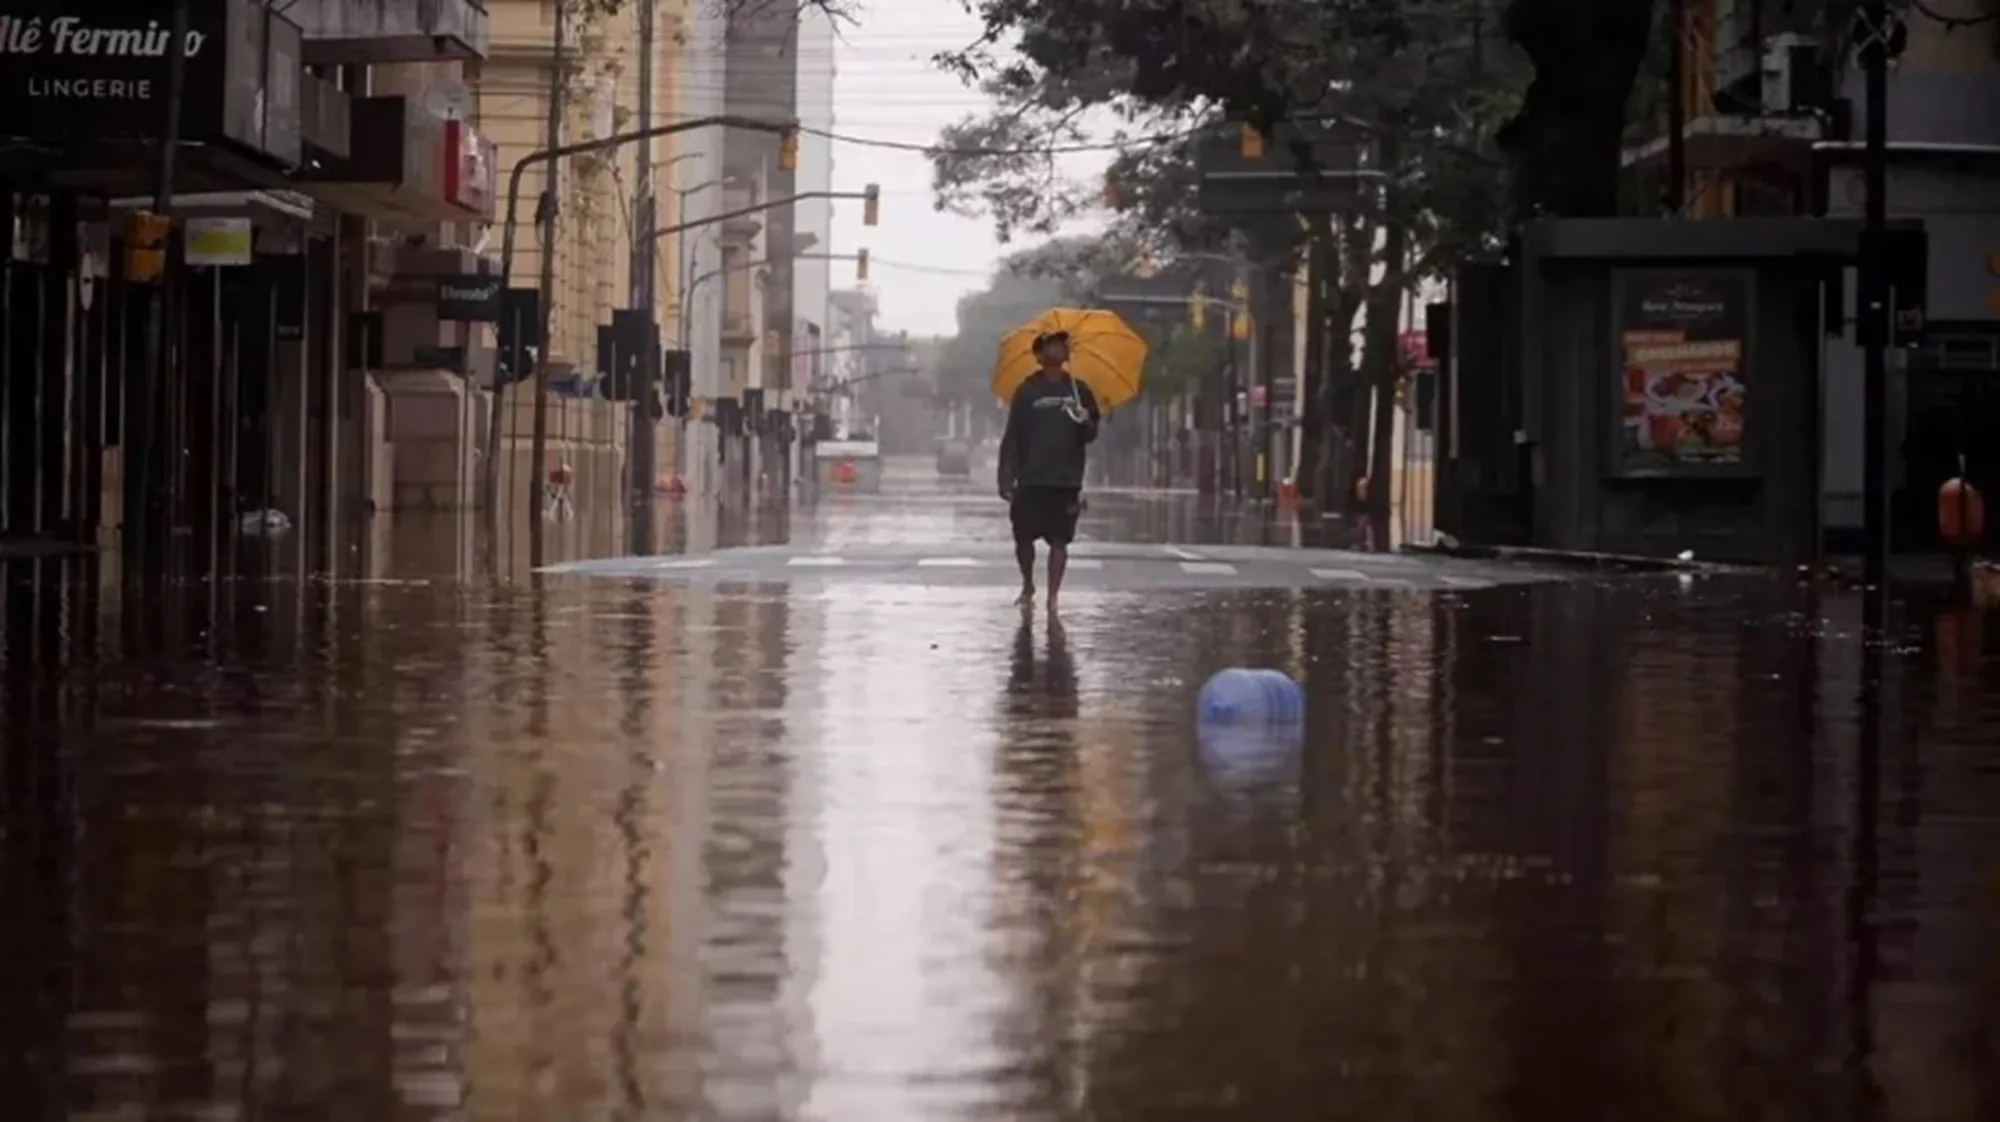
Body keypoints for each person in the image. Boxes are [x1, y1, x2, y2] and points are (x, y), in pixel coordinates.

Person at [997, 331, 1100, 611]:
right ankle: (1028, 584)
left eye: (1059, 346)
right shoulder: (1027, 391)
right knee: (1023, 539)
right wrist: (1006, 476)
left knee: (1059, 541)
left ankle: (1053, 597)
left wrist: (1086, 420)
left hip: (1065, 481)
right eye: (1049, 347)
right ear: (1039, 356)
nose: (1055, 351)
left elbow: (1091, 435)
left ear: (1067, 354)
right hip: (1030, 479)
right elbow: (1013, 435)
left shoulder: (1079, 391)